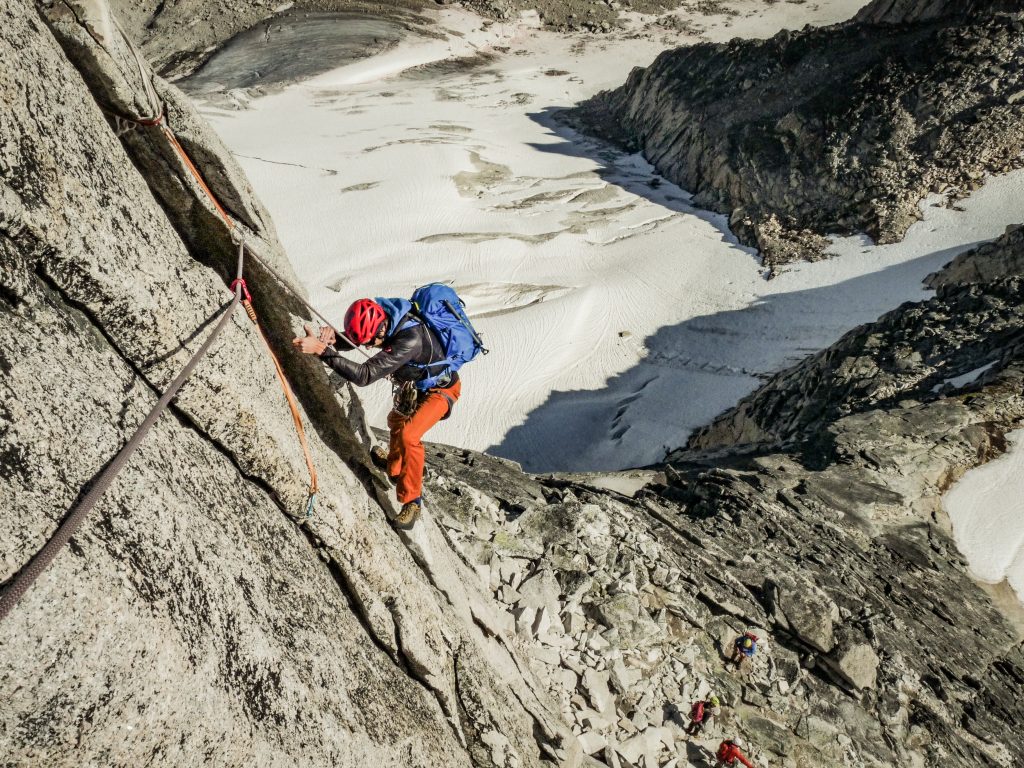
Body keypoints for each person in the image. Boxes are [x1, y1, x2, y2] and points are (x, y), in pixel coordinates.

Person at [292, 297, 462, 528]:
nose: (369, 347)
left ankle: (413, 501)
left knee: (409, 435)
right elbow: (364, 337)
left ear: (380, 328)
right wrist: (337, 340)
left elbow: (364, 375)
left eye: (371, 342)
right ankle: (393, 469)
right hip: (417, 385)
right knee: (396, 421)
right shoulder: (389, 319)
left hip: (441, 390)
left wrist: (323, 351)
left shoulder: (409, 340)